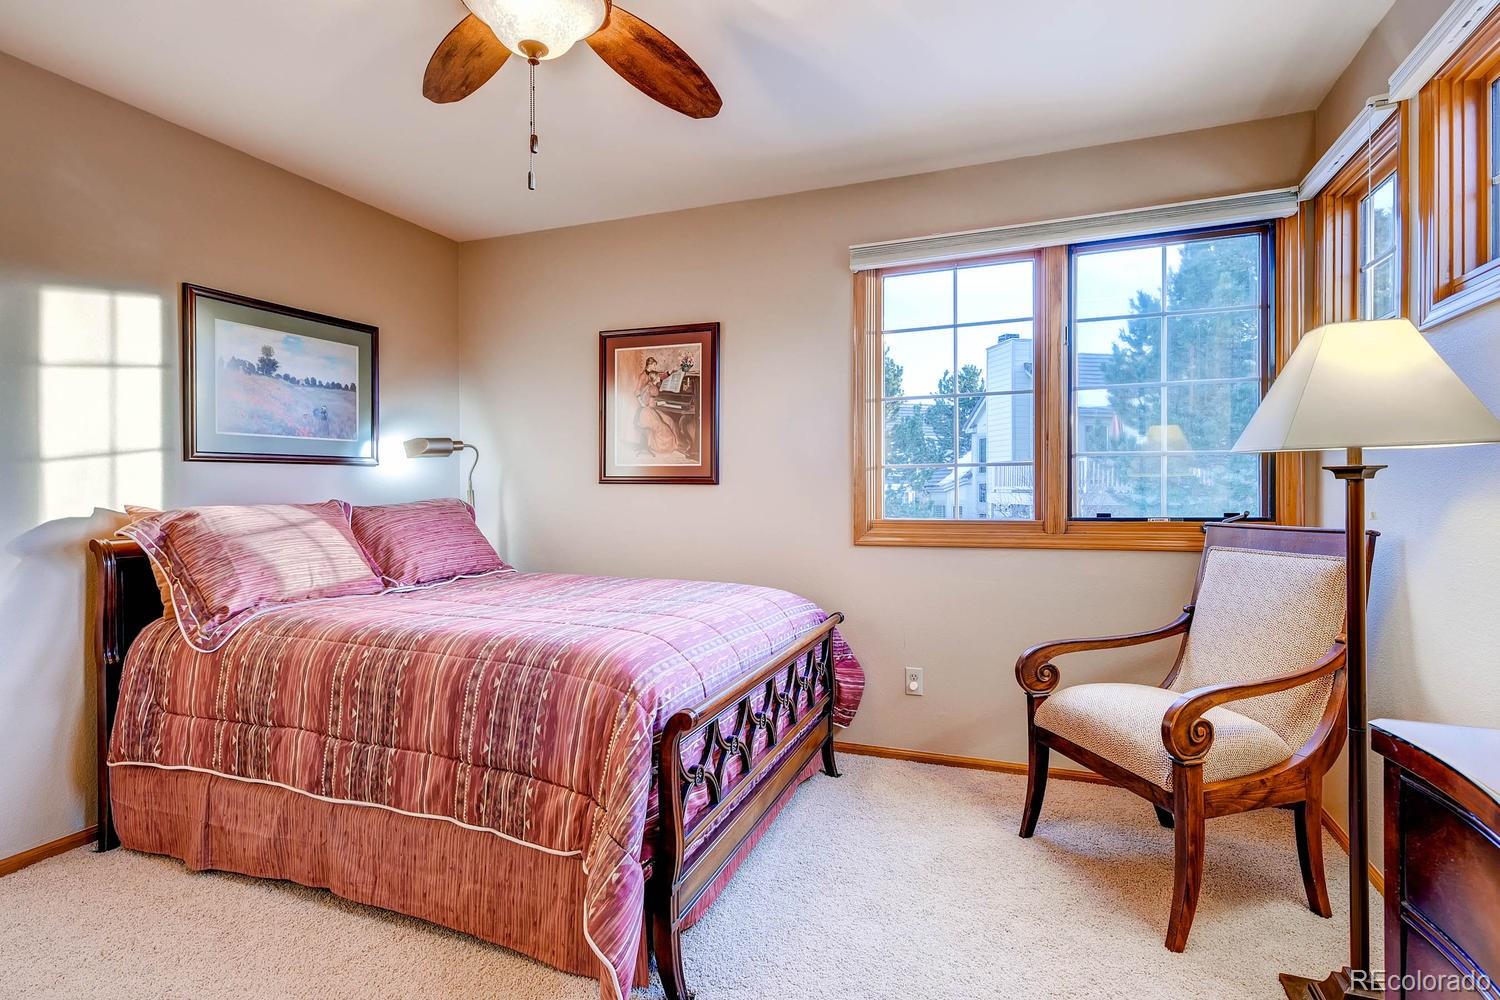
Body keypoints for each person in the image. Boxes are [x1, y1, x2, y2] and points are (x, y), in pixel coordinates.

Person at [633, 356, 679, 457]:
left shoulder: (652, 375)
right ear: (649, 365)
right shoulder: (643, 376)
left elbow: (659, 377)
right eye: (654, 365)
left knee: (669, 420)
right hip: (645, 409)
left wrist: (670, 372)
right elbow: (637, 391)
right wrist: (643, 404)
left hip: (651, 406)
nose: (655, 367)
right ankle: (662, 448)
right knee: (661, 426)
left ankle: (674, 446)